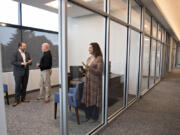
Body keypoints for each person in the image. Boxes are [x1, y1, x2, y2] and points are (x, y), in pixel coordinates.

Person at [81, 42, 103, 122]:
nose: (88, 49)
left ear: (95, 49)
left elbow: (99, 72)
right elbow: (87, 70)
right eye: (89, 48)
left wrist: (88, 67)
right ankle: (88, 115)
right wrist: (83, 70)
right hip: (88, 81)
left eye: (90, 48)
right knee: (87, 99)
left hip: (95, 83)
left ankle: (94, 117)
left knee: (95, 100)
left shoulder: (99, 58)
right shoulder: (89, 58)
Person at [11, 42, 32, 107]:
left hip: (26, 72)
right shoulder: (15, 53)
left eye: (25, 46)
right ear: (19, 46)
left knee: (24, 86)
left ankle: (23, 98)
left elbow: (30, 63)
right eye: (23, 46)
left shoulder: (27, 53)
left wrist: (29, 62)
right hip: (18, 73)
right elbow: (13, 62)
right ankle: (16, 100)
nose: (25, 47)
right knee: (18, 86)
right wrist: (22, 63)